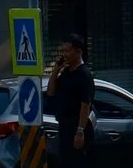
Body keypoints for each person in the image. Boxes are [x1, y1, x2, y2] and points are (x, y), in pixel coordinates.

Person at [47, 35, 93, 168]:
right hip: (64, 126)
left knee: (77, 163)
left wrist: (80, 131)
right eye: (62, 51)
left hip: (76, 128)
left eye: (67, 51)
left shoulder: (84, 74)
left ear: (78, 51)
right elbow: (50, 92)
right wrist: (56, 69)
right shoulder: (66, 72)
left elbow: (85, 105)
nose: (64, 55)